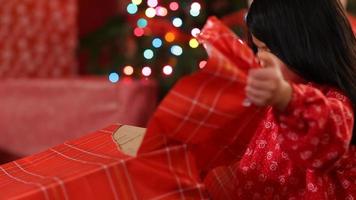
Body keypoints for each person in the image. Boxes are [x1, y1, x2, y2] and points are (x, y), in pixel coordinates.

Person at [204, 0, 356, 199]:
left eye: (269, 49)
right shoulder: (283, 94)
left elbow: (326, 129)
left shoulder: (333, 100)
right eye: (258, 48)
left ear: (307, 45)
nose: (260, 58)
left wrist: (286, 97)